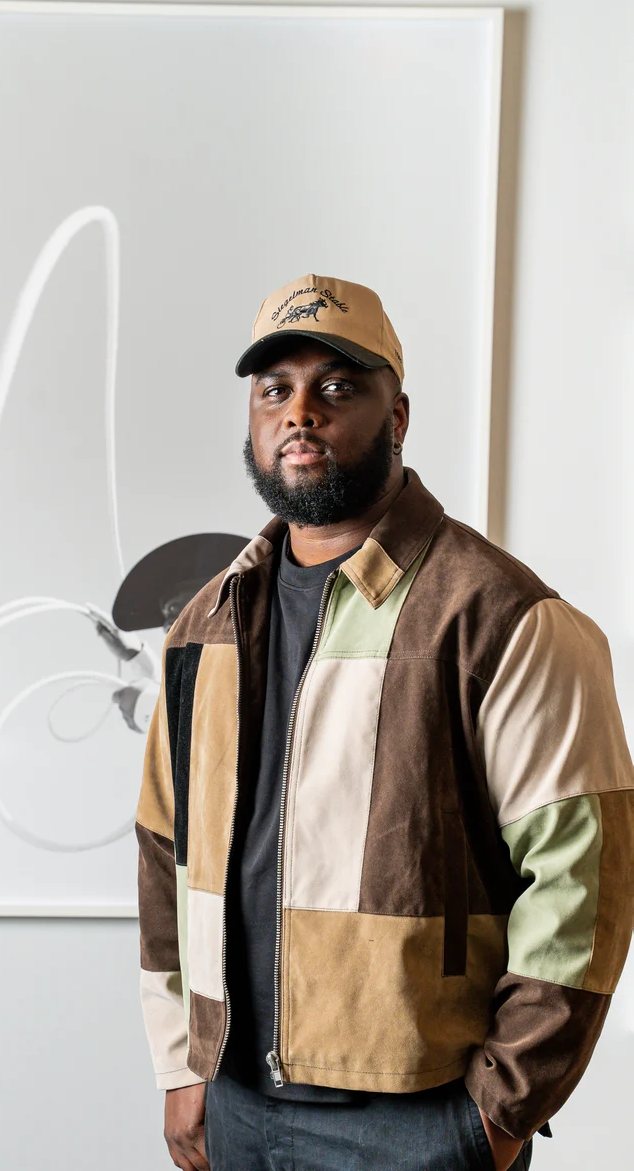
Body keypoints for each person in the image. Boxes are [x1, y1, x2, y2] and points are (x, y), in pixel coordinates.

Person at [134, 274, 634, 1171]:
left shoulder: (501, 617)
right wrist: (182, 1059)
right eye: (275, 389)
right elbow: (163, 849)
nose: (300, 413)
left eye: (337, 387)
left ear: (397, 417)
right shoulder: (204, 625)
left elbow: (583, 878)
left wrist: (499, 1111)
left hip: (421, 1120)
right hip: (235, 1101)